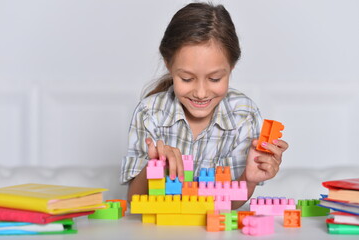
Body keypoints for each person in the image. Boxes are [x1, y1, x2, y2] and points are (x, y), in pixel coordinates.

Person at [121, 2, 288, 209]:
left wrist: (249, 179)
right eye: (187, 79)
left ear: (231, 67)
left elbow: (230, 203)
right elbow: (133, 201)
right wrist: (154, 166)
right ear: (168, 64)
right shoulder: (150, 112)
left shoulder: (244, 114)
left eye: (215, 79)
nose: (200, 93)